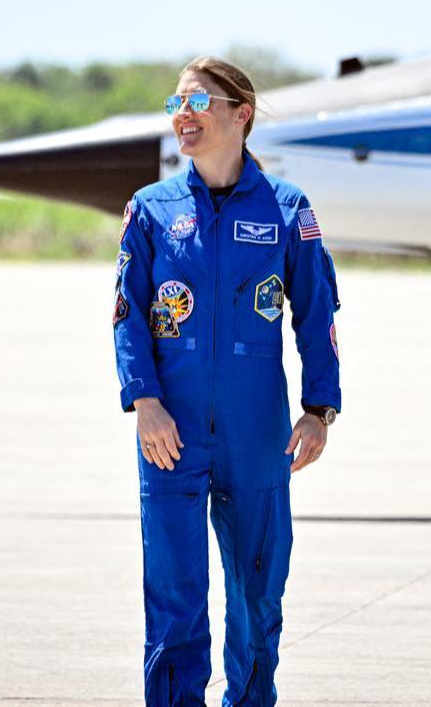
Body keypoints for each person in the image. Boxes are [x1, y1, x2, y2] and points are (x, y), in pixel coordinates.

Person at [112, 57, 341, 705]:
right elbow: (127, 315)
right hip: (170, 431)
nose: (182, 114)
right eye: (174, 103)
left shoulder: (288, 209)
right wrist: (145, 402)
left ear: (241, 113)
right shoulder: (151, 211)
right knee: (174, 596)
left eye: (198, 102)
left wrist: (319, 408)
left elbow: (317, 313)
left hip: (255, 430)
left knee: (256, 592)